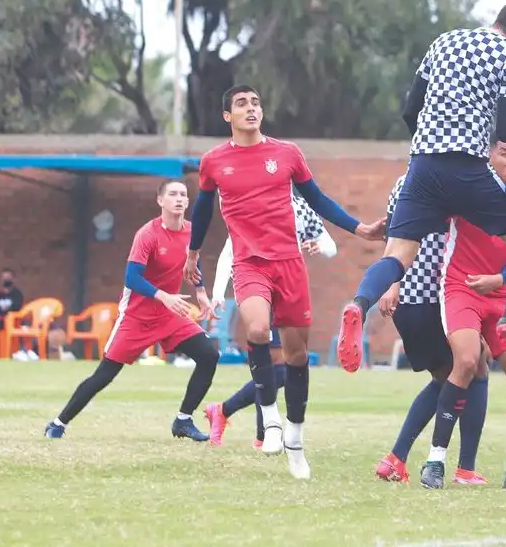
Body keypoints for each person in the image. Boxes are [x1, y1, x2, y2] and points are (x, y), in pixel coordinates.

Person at [333, 0, 506, 374]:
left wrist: (432, 141)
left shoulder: (443, 41)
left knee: (397, 256)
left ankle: (357, 303)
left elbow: (409, 110)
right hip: (467, 166)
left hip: (422, 165)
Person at [185, 85, 384, 479]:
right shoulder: (214, 162)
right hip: (250, 263)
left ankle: (294, 437)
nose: (251, 109)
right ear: (228, 116)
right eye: (241, 104)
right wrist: (192, 254)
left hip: (289, 264)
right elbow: (204, 209)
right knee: (257, 327)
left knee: (295, 356)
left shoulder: (287, 153)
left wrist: (359, 228)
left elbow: (318, 199)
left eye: (256, 102)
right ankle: (270, 418)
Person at [44, 180, 219, 441]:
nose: (179, 199)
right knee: (104, 376)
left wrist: (202, 293)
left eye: (183, 194)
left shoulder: (192, 232)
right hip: (137, 317)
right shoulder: (147, 234)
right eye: (172, 194)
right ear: (160, 201)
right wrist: (163, 296)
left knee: (209, 355)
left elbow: (193, 264)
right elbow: (131, 278)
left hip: (169, 314)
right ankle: (58, 423)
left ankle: (183, 420)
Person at [420, 139, 506, 490]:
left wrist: (501, 279)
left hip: (503, 296)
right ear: (487, 155)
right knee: (468, 361)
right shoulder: (467, 184)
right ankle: (435, 460)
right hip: (461, 287)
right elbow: (424, 203)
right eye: (505, 152)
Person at [373, 174, 490, 487]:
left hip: (413, 297)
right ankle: (459, 468)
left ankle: (398, 458)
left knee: (462, 370)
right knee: (466, 370)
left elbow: (393, 238)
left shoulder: (402, 182)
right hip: (429, 297)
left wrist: (392, 283)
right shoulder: (442, 181)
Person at [206, 190, 339, 450]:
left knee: (281, 369)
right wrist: (218, 293)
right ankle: (258, 432)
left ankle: (226, 412)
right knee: (277, 367)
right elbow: (228, 251)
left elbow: (331, 246)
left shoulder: (301, 208)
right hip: (258, 293)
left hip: (288, 292)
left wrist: (318, 246)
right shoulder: (250, 205)